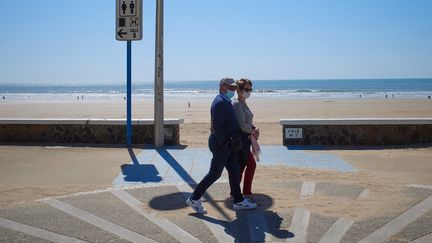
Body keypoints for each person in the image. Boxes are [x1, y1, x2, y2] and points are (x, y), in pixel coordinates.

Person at [186, 77, 257, 214]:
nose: (234, 90)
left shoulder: (225, 101)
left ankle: (238, 200)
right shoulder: (220, 102)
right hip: (221, 145)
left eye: (235, 88)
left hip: (226, 143)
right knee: (215, 173)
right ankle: (194, 198)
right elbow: (217, 127)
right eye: (231, 88)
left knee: (235, 170)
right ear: (222, 87)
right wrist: (224, 143)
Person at [232, 78, 259, 201]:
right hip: (241, 141)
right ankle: (245, 192)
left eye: (250, 89)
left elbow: (248, 122)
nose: (249, 92)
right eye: (247, 89)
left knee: (241, 166)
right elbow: (242, 124)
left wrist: (254, 127)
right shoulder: (237, 104)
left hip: (245, 140)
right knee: (250, 164)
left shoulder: (243, 102)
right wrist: (252, 130)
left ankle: (236, 192)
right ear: (238, 90)